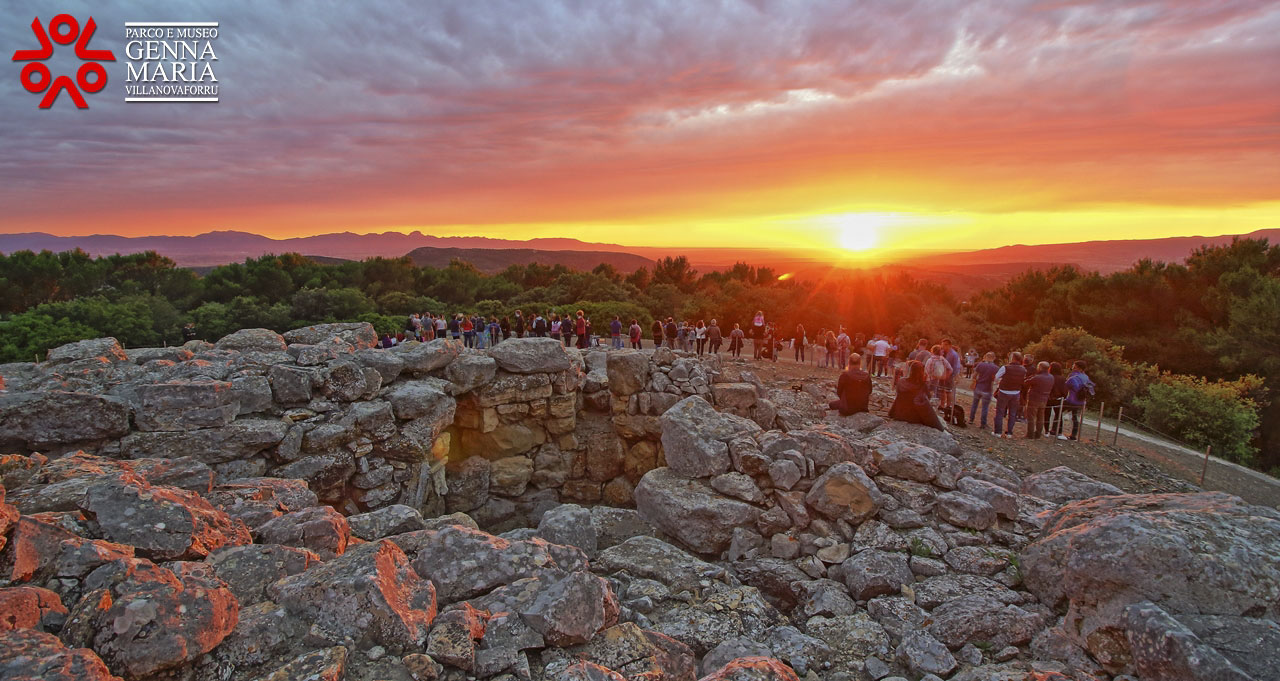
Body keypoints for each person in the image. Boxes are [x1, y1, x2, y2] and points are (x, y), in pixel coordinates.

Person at [888, 360, 946, 431]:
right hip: (913, 417)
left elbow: (898, 394)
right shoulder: (921, 386)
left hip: (898, 413)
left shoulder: (901, 381)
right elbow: (927, 399)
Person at [993, 351, 1028, 438]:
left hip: (1004, 391)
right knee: (1012, 413)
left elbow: (996, 377)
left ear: (1012, 358)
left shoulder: (1005, 367)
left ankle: (998, 432)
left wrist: (999, 382)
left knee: (1000, 412)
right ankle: (1009, 433)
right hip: (1016, 392)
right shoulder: (1023, 369)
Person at [1064, 360, 1095, 441]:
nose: (1072, 367)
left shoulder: (1072, 376)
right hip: (1081, 401)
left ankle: (1056, 430)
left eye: (1074, 366)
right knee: (1075, 418)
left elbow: (1066, 385)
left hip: (1071, 399)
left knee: (1058, 412)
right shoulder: (1086, 377)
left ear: (1078, 367)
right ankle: (1073, 435)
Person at [1024, 361, 1055, 439]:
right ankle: (1038, 434)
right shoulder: (1051, 377)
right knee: (1041, 417)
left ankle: (1030, 434)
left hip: (1034, 399)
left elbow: (1026, 382)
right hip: (1044, 399)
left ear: (1040, 367)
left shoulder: (1037, 377)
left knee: (1031, 417)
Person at [969, 352, 999, 430]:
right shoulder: (996, 368)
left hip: (978, 386)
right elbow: (995, 379)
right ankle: (983, 423)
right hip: (987, 388)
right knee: (985, 407)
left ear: (985, 357)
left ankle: (971, 419)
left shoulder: (980, 365)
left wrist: (975, 381)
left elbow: (974, 375)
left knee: (974, 404)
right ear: (994, 358)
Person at [939, 339, 962, 411]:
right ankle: (942, 405)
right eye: (942, 344)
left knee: (948, 391)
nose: (943, 346)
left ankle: (948, 406)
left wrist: (952, 375)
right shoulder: (942, 352)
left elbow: (956, 366)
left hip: (950, 375)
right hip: (942, 374)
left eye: (945, 345)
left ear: (949, 345)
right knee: (941, 390)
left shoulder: (954, 354)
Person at [1047, 361, 1068, 438]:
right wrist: (1064, 397)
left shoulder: (1049, 376)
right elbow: (1065, 390)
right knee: (1058, 415)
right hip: (1059, 399)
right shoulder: (1063, 378)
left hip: (1049, 398)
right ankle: (1058, 431)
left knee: (1047, 415)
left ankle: (1046, 430)